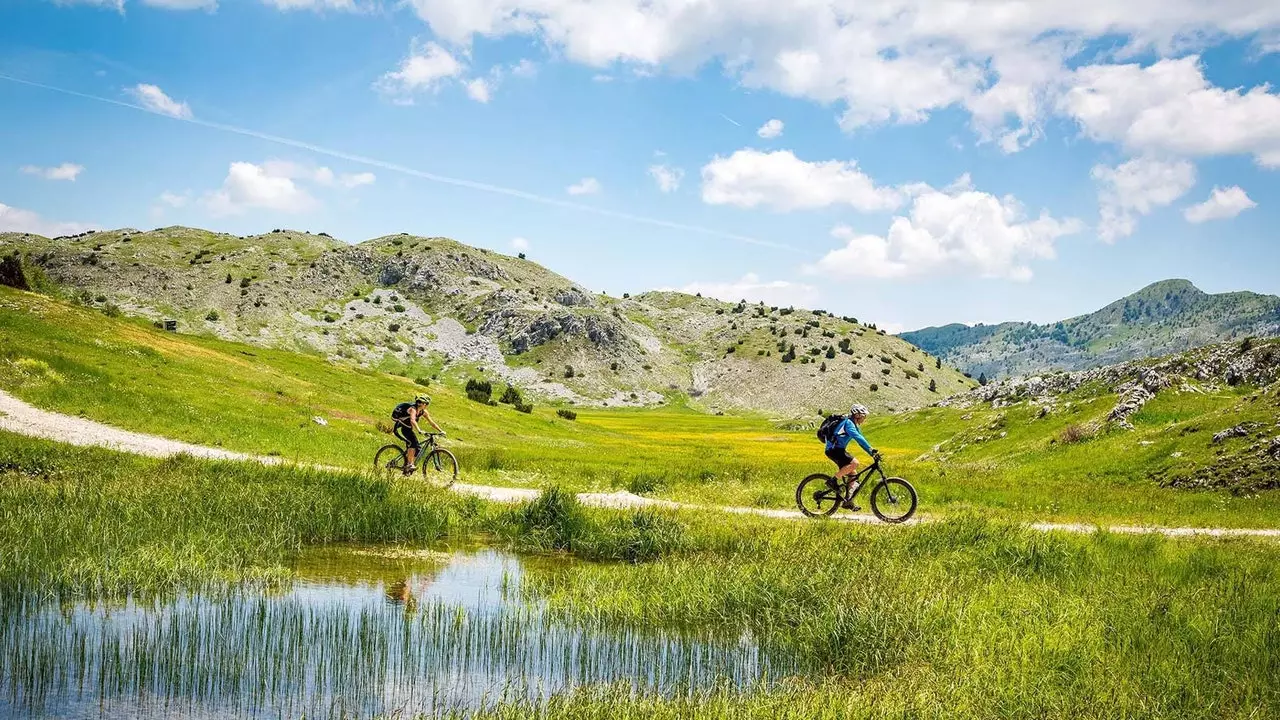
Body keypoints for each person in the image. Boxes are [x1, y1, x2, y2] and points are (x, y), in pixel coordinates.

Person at [824, 403, 881, 510]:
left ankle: (848, 501)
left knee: (853, 475)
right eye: (864, 415)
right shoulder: (849, 424)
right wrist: (871, 451)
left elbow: (861, 440)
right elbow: (858, 438)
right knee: (855, 463)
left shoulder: (853, 424)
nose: (865, 418)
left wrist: (871, 452)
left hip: (837, 450)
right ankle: (833, 481)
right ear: (857, 415)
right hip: (834, 450)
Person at [391, 395, 444, 474]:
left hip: (408, 427)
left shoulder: (423, 412)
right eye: (419, 402)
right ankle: (409, 464)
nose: (420, 404)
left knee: (418, 448)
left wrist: (441, 431)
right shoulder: (413, 409)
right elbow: (412, 420)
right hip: (402, 427)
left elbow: (431, 422)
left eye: (422, 403)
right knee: (412, 443)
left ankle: (407, 466)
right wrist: (419, 430)